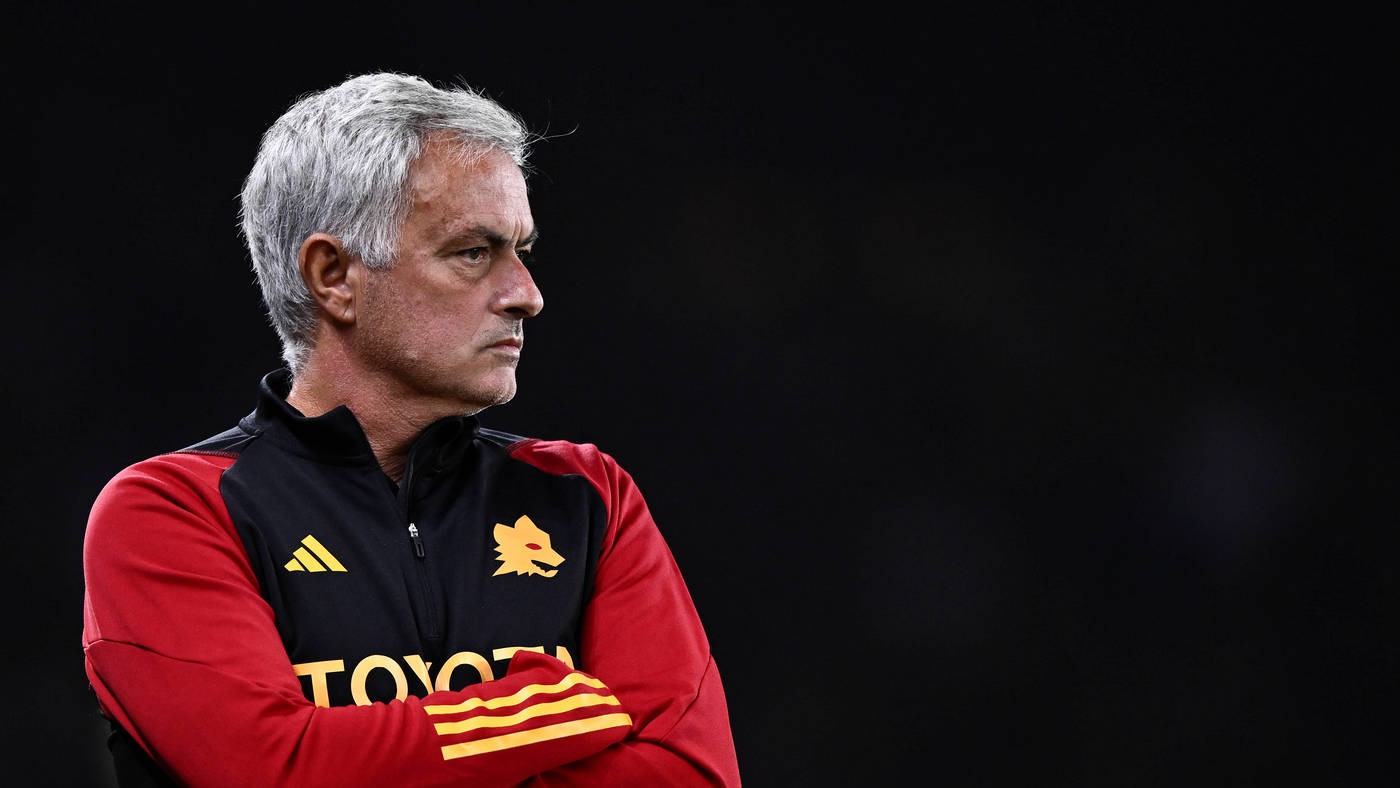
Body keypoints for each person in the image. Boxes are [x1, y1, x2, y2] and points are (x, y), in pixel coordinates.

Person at [81, 72, 740, 787]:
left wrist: (378, 755)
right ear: (334, 275)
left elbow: (690, 774)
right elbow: (277, 770)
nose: (527, 295)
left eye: (521, 252)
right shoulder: (169, 512)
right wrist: (549, 708)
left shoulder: (586, 495)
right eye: (473, 252)